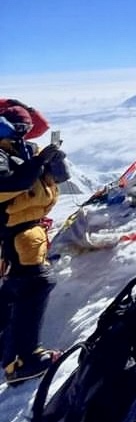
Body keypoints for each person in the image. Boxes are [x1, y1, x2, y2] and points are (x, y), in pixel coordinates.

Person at [0, 100, 68, 384]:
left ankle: (9, 347)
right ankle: (21, 360)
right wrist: (39, 162)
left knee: (15, 289)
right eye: (18, 128)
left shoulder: (25, 149)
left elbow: (60, 178)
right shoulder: (5, 155)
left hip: (28, 232)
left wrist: (55, 159)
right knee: (35, 283)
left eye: (26, 128)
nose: (23, 133)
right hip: (12, 233)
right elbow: (9, 184)